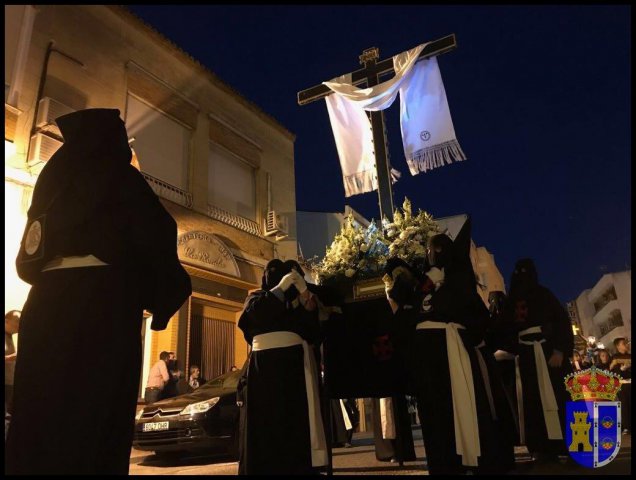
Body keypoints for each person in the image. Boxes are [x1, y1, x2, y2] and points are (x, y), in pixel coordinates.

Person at [6, 108, 192, 475]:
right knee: (96, 416)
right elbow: (155, 233)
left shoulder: (51, 180)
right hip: (103, 306)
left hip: (45, 304)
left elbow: (28, 256)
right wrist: (161, 296)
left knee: (38, 412)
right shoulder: (122, 178)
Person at [384, 217, 515, 474]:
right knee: (432, 411)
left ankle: (468, 458)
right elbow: (404, 310)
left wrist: (439, 286)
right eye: (429, 249)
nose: (432, 253)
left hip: (451, 347)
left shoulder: (459, 279)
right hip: (425, 353)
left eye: (438, 248)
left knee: (458, 405)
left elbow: (464, 312)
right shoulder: (421, 283)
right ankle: (441, 464)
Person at [237, 259, 327, 475]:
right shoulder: (256, 298)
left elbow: (313, 332)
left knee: (293, 422)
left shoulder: (298, 304)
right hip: (263, 370)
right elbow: (254, 318)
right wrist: (281, 287)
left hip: (293, 368)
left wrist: (307, 300)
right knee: (264, 424)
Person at [502, 258, 573, 463]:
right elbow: (505, 329)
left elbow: (561, 321)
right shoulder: (511, 301)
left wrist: (559, 350)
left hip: (550, 355)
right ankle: (541, 448)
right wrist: (516, 349)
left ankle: (570, 444)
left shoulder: (544, 294)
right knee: (533, 402)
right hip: (527, 358)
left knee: (559, 397)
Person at [5, 310, 21, 440]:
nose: (19, 323)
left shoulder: (11, 337)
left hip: (9, 383)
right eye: (17, 320)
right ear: (6, 320)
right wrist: (14, 356)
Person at [610, 338, 631, 434]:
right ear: (618, 346)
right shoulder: (615, 357)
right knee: (625, 405)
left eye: (626, 343)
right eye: (624, 343)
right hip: (622, 384)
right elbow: (613, 371)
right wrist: (622, 369)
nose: (626, 344)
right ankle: (626, 427)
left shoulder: (630, 355)